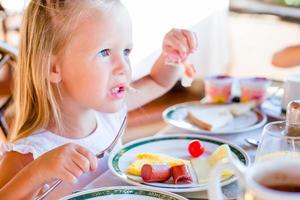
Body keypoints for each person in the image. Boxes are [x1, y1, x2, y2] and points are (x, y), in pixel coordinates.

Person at [0, 0, 197, 199]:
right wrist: (38, 172)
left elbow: (158, 81)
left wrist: (171, 56)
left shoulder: (106, 112)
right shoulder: (28, 155)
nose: (124, 67)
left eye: (126, 51)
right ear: (53, 68)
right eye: (104, 52)